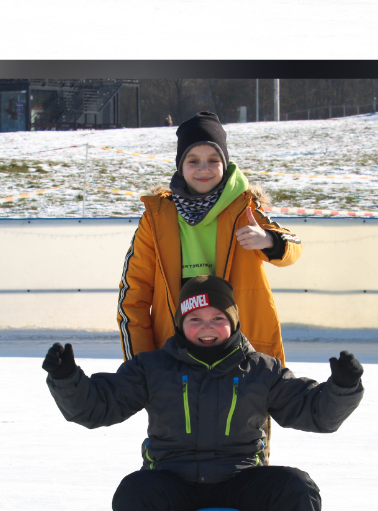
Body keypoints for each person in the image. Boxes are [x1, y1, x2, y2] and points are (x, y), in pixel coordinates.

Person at [45, 274, 362, 511]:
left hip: (239, 483)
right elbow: (99, 406)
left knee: (298, 488)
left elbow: (314, 413)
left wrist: (342, 388)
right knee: (134, 492)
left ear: (233, 321)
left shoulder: (262, 369)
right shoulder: (153, 368)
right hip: (174, 485)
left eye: (217, 319)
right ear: (181, 323)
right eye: (195, 320)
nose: (206, 329)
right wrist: (67, 380)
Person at [117, 112, 298, 362]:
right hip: (176, 354)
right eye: (193, 161)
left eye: (213, 160)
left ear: (225, 163)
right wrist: (140, 364)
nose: (204, 169)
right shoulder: (157, 218)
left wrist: (268, 240)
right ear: (181, 166)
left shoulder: (244, 209)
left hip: (241, 354)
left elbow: (292, 247)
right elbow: (134, 294)